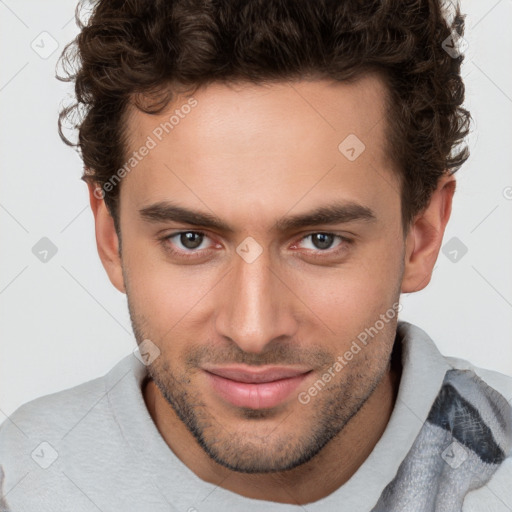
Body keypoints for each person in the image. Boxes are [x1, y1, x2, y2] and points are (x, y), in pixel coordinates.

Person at [1, 0, 510, 510]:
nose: (253, 330)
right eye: (191, 240)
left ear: (421, 236)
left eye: (320, 241)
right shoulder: (20, 483)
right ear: (110, 236)